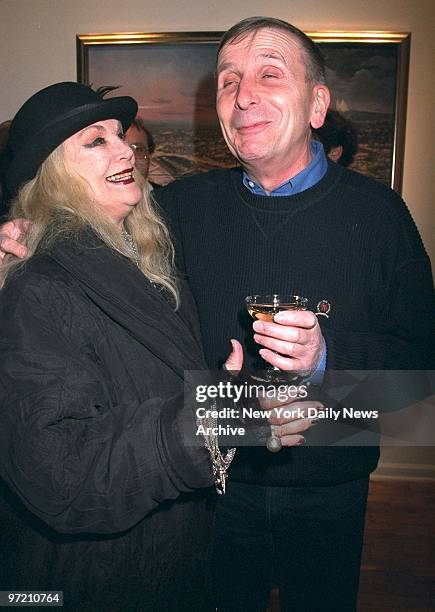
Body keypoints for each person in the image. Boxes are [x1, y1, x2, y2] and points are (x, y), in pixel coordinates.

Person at [1, 17, 434, 611]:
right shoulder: (179, 210)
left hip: (332, 486)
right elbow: (82, 215)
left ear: (318, 105)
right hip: (212, 496)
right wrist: (23, 228)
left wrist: (327, 361)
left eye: (270, 74)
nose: (244, 94)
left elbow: (420, 371)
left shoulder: (381, 215)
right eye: (228, 81)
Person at [0, 81, 241, 611]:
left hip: (161, 560)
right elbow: (58, 473)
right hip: (85, 580)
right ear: (51, 176)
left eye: (120, 137)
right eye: (95, 141)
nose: (124, 149)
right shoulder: (37, 289)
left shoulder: (147, 261)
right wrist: (209, 423)